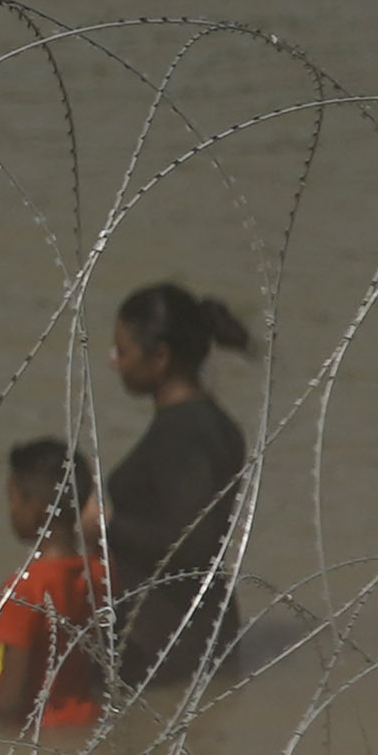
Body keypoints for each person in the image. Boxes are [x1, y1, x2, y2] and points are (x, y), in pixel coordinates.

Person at [99, 281, 255, 687]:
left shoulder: (183, 435)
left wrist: (104, 525)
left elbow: (193, 543)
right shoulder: (215, 425)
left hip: (164, 646)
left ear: (161, 356)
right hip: (200, 635)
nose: (114, 362)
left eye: (123, 351)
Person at [0, 438, 107, 735]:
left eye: (13, 499)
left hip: (43, 735)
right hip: (90, 723)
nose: (11, 510)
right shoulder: (98, 571)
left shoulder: (25, 588)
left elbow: (9, 700)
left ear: (36, 507)